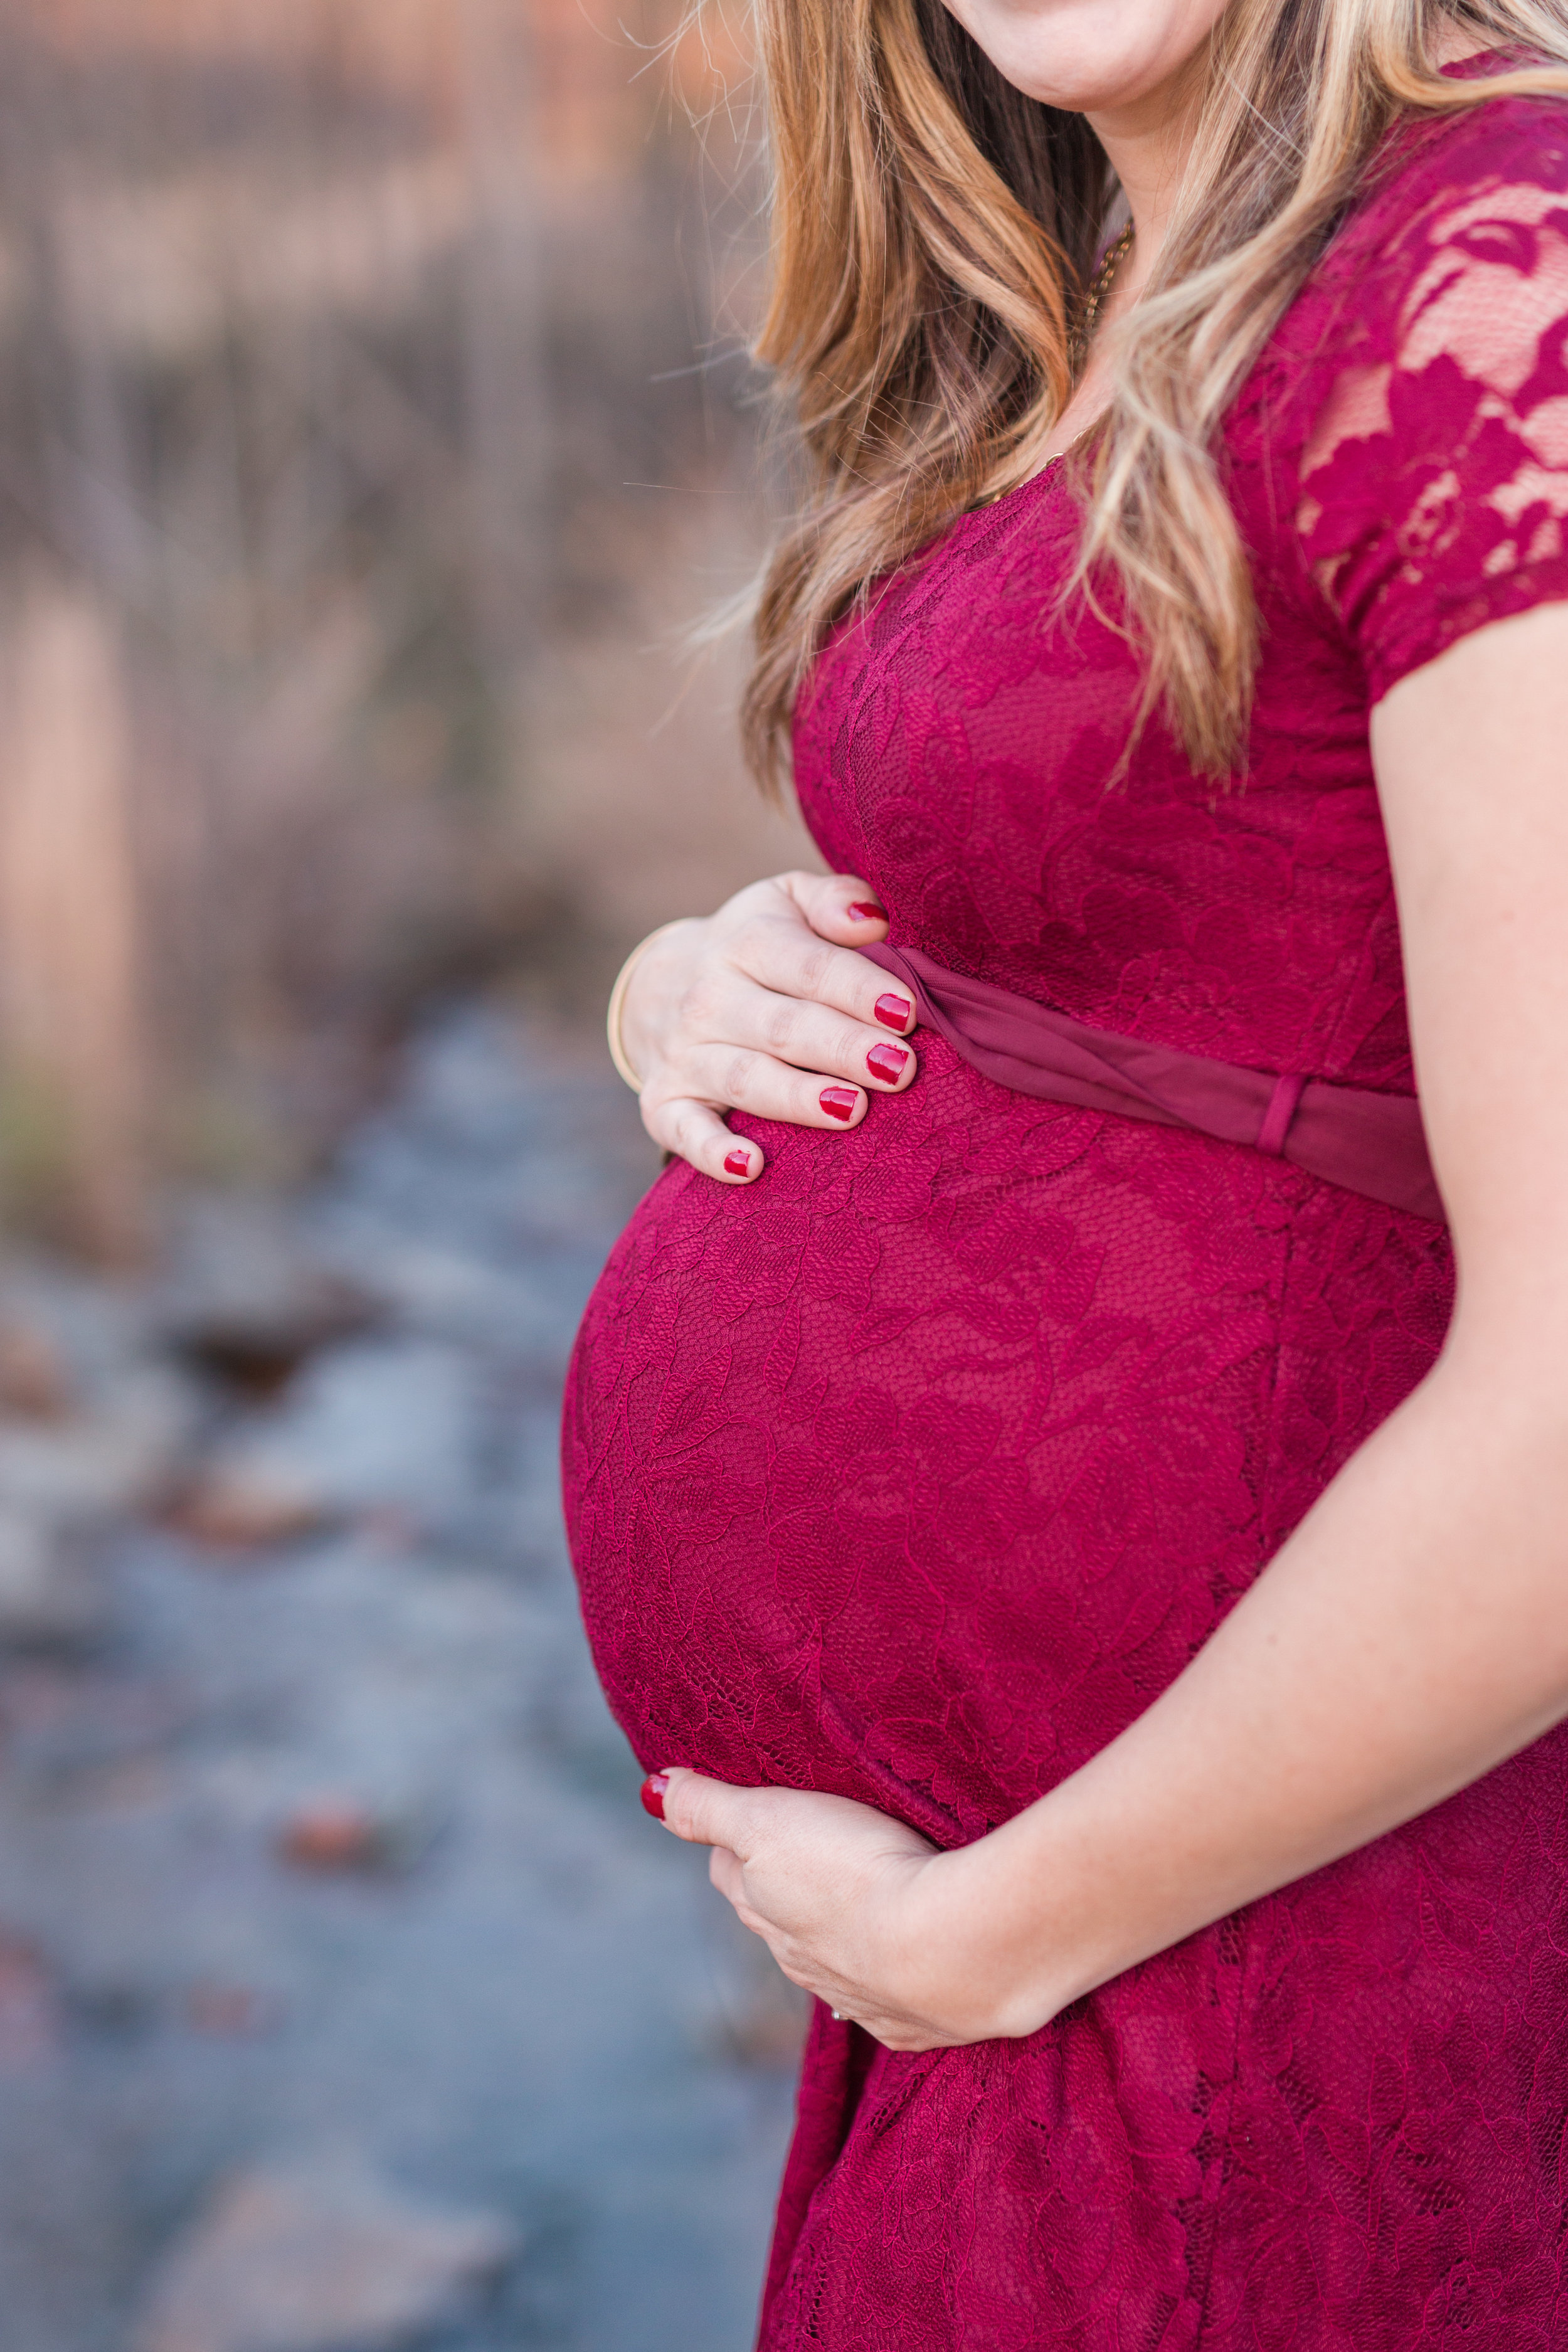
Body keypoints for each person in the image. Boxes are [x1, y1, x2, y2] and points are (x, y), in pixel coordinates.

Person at [561, 1, 1568, 2341]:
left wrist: (992, 1935)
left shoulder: (1495, 274)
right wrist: (692, 988)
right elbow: (1131, 950)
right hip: (1050, 1951)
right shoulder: (1089, 278)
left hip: (1251, 1947)